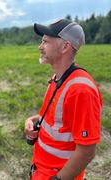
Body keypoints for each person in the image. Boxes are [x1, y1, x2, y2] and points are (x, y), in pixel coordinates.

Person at [24, 19, 103, 180]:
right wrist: (31, 120)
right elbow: (56, 120)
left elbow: (87, 151)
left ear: (65, 47)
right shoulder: (57, 79)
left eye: (45, 41)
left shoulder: (81, 91)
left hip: (56, 174)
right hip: (41, 169)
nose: (40, 47)